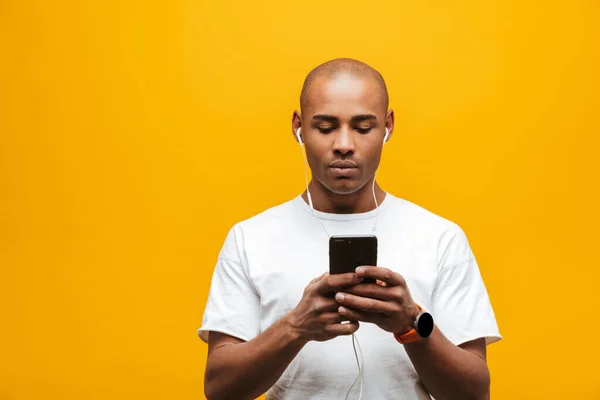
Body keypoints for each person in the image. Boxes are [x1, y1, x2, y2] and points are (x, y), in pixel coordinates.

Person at [198, 58, 501, 400]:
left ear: (387, 126)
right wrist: (295, 326)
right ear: (298, 127)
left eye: (362, 127)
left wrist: (411, 325)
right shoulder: (250, 239)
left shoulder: (441, 239)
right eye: (325, 127)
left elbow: (475, 394)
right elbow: (219, 389)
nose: (344, 144)